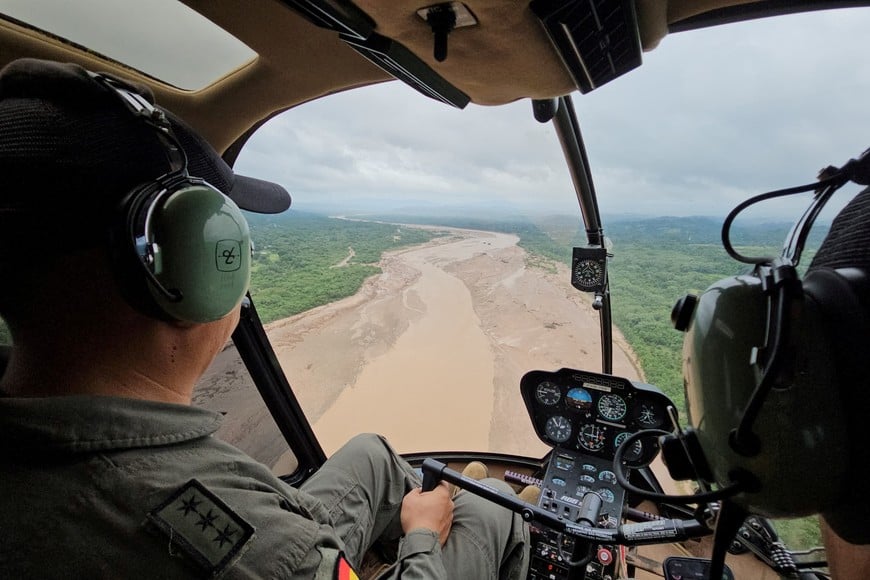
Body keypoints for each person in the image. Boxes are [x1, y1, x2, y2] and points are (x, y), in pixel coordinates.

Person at [0, 58, 529, 579]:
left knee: (373, 453)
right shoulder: (265, 556)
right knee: (495, 507)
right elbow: (272, 555)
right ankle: (481, 518)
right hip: (289, 556)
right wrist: (420, 538)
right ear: (191, 268)